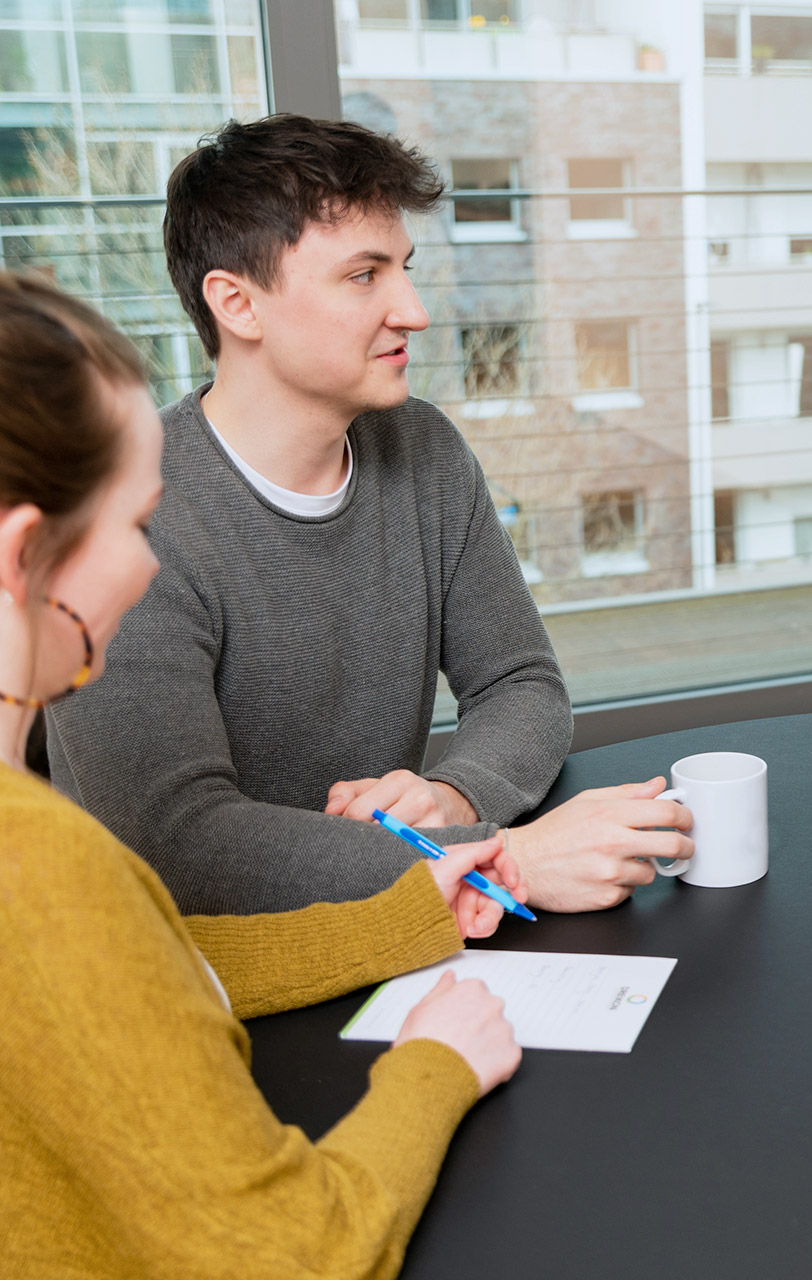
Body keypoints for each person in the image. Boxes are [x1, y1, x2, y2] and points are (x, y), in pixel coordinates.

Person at [0, 269, 523, 1276]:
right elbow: (300, 1253)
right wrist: (437, 1065)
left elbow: (142, 976)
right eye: (135, 524)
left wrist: (406, 912)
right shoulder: (41, 863)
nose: (153, 568)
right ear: (27, 556)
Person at [47, 114, 692, 916]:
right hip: (203, 970)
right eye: (365, 276)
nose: (414, 310)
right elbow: (179, 843)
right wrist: (502, 859)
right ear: (237, 303)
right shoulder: (128, 513)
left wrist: (455, 796)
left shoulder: (420, 447)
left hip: (398, 927)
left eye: (405, 269)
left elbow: (521, 682)